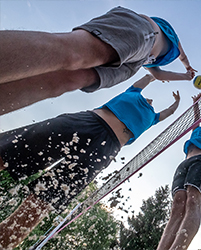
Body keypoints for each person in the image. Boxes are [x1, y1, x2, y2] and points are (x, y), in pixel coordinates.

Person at [0, 74, 180, 249]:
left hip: (103, 150)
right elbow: (149, 77)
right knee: (12, 148)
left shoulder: (152, 118)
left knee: (41, 202)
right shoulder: (134, 92)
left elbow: (168, 112)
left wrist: (177, 102)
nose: (151, 102)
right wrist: (160, 75)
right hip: (86, 122)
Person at [0, 6, 196, 115]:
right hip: (143, 32)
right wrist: (188, 66)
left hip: (133, 63)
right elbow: (183, 55)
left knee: (67, 81)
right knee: (73, 53)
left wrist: (186, 78)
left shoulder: (152, 62)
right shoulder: (171, 37)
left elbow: (159, 74)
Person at [157, 92, 201, 250]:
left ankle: (178, 248)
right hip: (185, 162)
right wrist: (196, 103)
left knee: (193, 199)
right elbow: (196, 119)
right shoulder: (196, 131)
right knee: (178, 204)